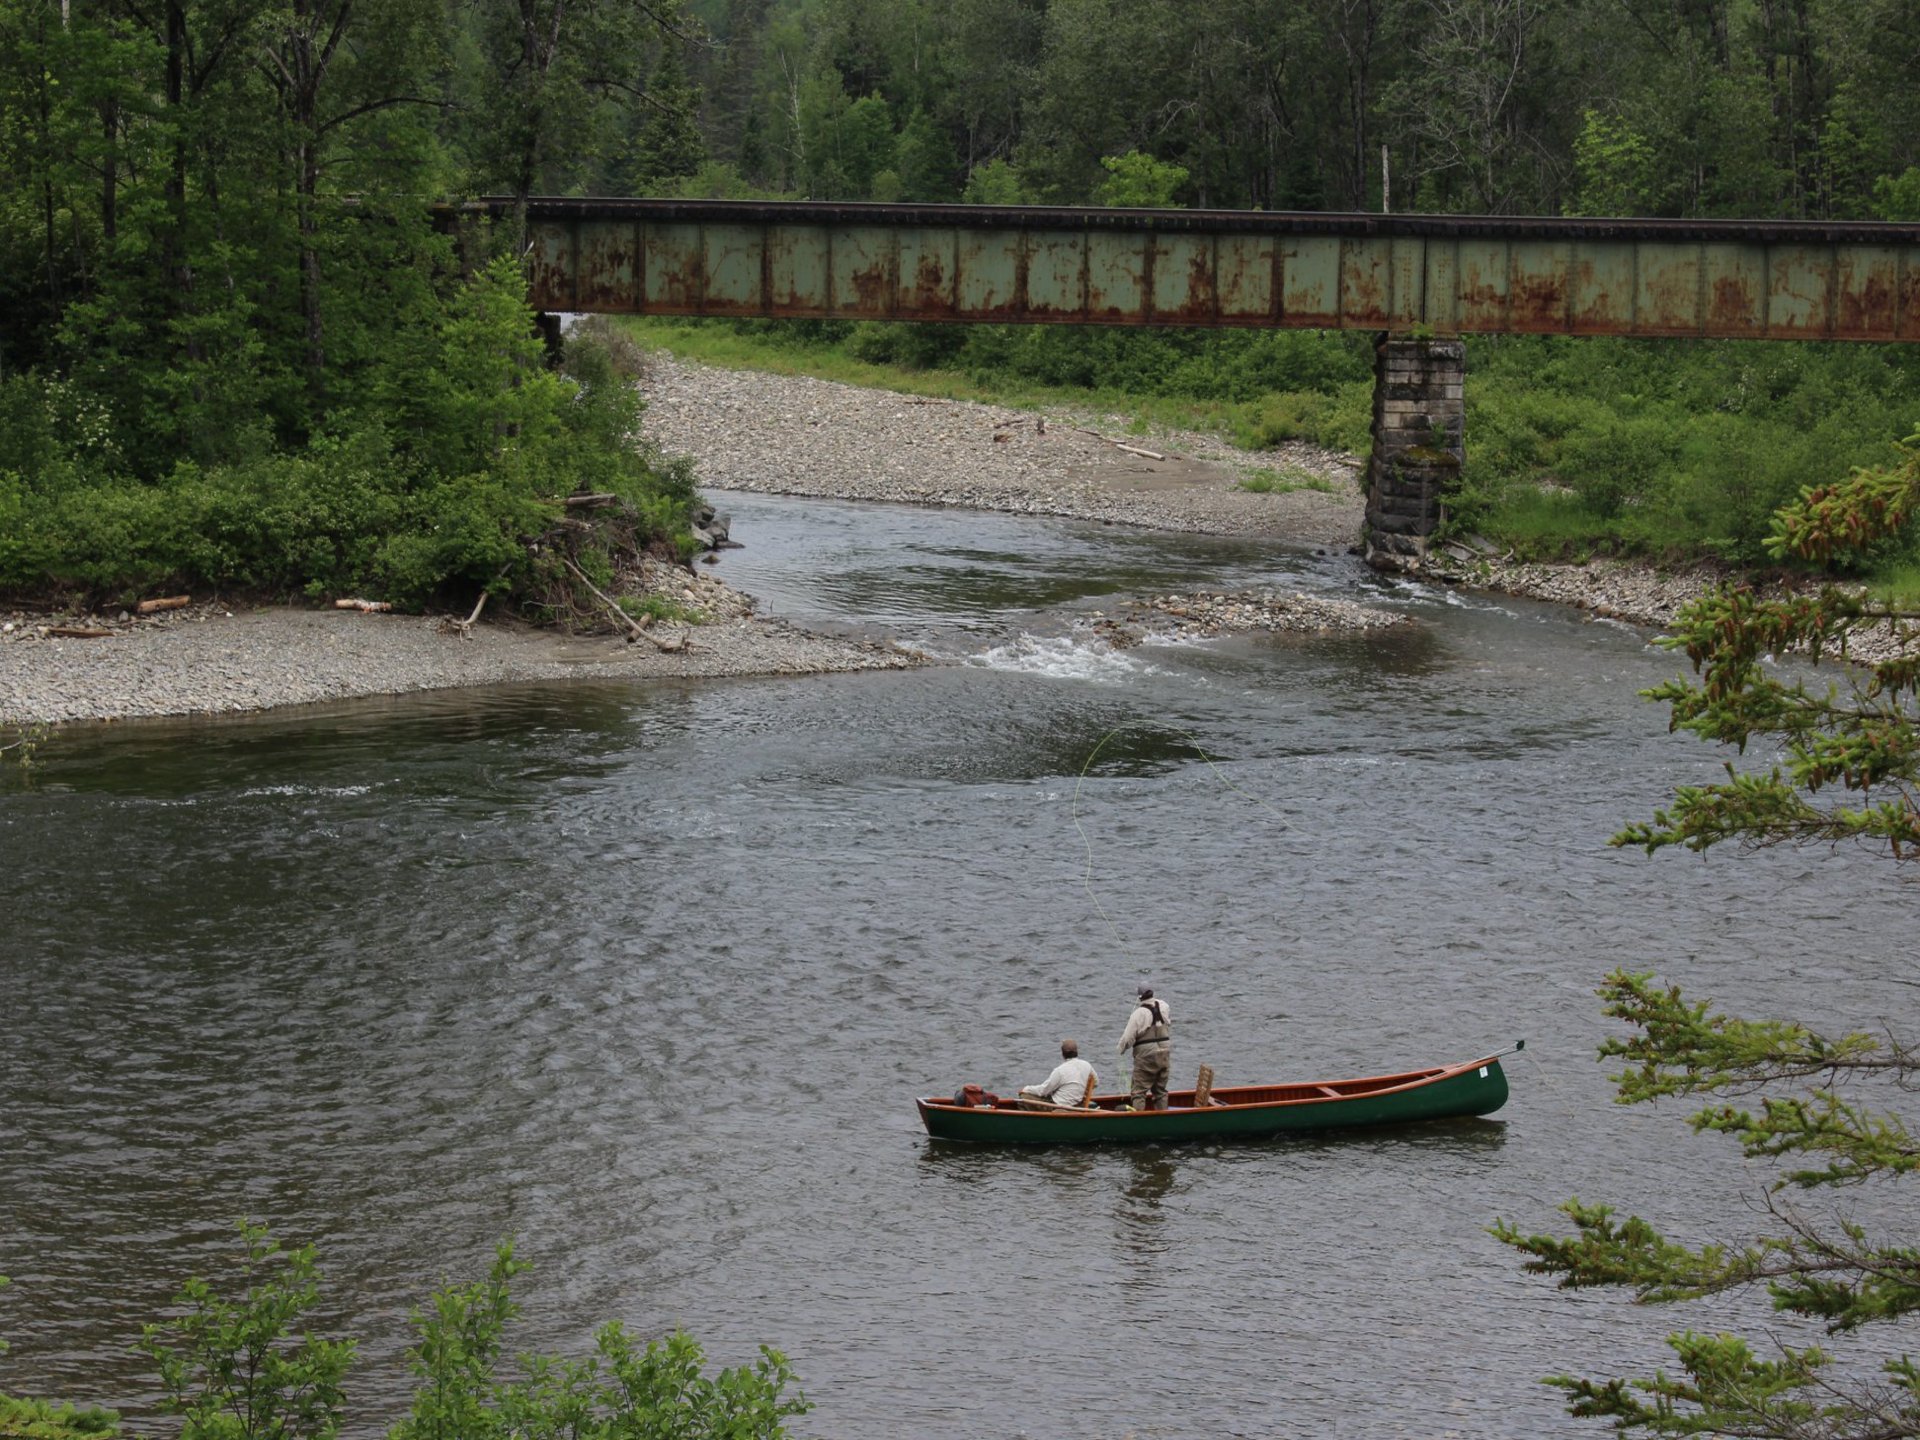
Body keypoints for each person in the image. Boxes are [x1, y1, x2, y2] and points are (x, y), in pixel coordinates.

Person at [1117, 985, 1172, 1111]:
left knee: (1138, 1092)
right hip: (1164, 1054)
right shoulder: (1164, 1006)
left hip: (1146, 1056)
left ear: (1139, 996)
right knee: (1160, 1091)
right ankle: (1163, 1118)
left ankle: (1138, 1121)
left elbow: (1128, 1038)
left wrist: (1120, 1049)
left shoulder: (1138, 1014)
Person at [1017, 1038, 1097, 1110]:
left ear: (1063, 1054)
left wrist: (1026, 1089)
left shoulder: (1060, 1070)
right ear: (1077, 1052)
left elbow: (1043, 1091)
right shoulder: (1087, 1065)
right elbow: (1096, 1082)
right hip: (1077, 1103)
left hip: (1058, 1105)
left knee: (1023, 1097)